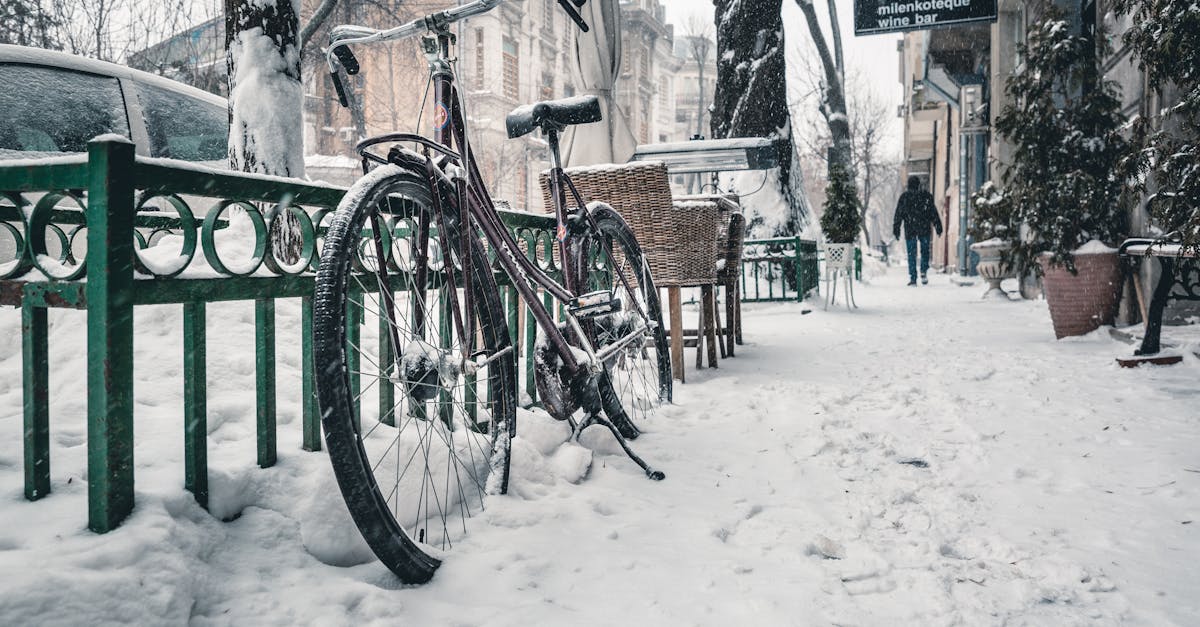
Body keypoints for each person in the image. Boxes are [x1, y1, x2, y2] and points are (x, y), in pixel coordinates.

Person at [892, 176, 943, 286]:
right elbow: (933, 212)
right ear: (918, 184)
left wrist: (896, 229)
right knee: (925, 251)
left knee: (912, 254)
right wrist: (938, 226)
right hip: (924, 228)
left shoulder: (904, 197)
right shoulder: (926, 196)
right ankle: (924, 270)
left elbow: (898, 215)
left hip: (910, 229)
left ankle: (913, 278)